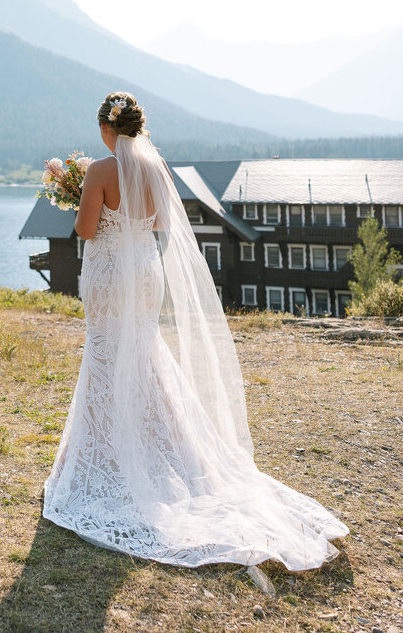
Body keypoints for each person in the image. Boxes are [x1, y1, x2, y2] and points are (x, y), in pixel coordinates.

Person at [42, 91, 348, 569]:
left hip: (108, 273)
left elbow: (84, 231)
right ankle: (167, 450)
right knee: (144, 351)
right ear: (137, 128)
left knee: (105, 352)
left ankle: (104, 458)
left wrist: (84, 201)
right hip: (144, 270)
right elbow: (162, 221)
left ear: (107, 129)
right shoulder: (155, 168)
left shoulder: (102, 171)